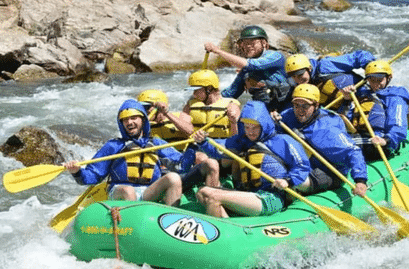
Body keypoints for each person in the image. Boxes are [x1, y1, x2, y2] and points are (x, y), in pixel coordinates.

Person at [63, 99, 197, 206]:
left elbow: (181, 166)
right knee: (129, 191)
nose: (129, 122)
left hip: (148, 192)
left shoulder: (155, 143)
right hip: (121, 191)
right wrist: (77, 172)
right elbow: (93, 175)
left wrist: (192, 145)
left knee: (173, 178)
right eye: (125, 120)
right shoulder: (114, 146)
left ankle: (169, 221)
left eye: (134, 118)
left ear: (143, 120)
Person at [192, 100, 311, 218]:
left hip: (272, 197)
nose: (250, 132)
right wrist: (203, 142)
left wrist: (288, 180)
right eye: (247, 127)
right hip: (248, 194)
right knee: (202, 192)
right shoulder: (243, 141)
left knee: (212, 196)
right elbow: (220, 148)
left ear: (264, 125)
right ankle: (231, 226)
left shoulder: (282, 140)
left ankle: (225, 230)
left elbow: (302, 166)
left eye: (255, 128)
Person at [276, 84, 368, 197]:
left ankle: (290, 188)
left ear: (316, 105)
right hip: (302, 161)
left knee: (298, 179)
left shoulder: (328, 130)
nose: (300, 110)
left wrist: (360, 180)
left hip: (330, 171)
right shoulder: (288, 115)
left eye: (305, 106)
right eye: (296, 105)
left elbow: (353, 151)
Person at [204, 25, 291, 113]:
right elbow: (230, 93)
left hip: (285, 109)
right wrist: (208, 95)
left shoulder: (275, 56)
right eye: (245, 43)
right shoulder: (246, 71)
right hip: (262, 111)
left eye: (252, 42)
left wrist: (218, 51)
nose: (248, 46)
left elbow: (253, 65)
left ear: (264, 43)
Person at [340, 60, 409, 161]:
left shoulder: (395, 98)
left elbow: (398, 124)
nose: (375, 84)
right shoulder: (361, 94)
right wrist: (347, 100)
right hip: (356, 139)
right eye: (372, 80)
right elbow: (344, 120)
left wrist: (386, 140)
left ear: (389, 78)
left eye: (379, 80)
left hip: (378, 141)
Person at [284, 51, 376, 109]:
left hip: (360, 92)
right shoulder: (294, 83)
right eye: (294, 76)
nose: (298, 79)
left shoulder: (326, 65)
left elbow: (357, 57)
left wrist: (370, 68)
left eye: (300, 75)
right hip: (341, 104)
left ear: (309, 68)